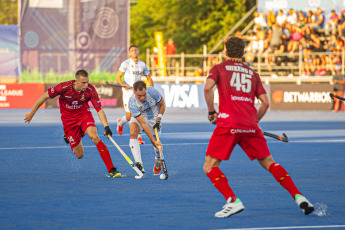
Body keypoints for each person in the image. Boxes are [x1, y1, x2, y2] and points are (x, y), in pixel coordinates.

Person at [203, 36, 314, 218]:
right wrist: (254, 122)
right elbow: (265, 103)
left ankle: (232, 200)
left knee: (209, 166)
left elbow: (208, 89)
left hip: (228, 124)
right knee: (270, 163)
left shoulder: (218, 69)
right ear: (244, 52)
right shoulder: (252, 73)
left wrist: (211, 112)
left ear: (225, 52)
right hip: (250, 125)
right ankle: (299, 196)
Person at [24, 69, 122, 178]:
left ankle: (111, 169)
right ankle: (69, 136)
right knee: (80, 155)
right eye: (83, 82)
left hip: (84, 115)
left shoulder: (90, 90)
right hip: (69, 121)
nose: (86, 85)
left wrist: (106, 126)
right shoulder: (63, 87)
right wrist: (31, 113)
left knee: (94, 136)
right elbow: (44, 96)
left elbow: (99, 109)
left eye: (87, 82)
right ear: (76, 81)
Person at [116, 45, 154, 145]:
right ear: (129, 53)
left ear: (138, 52)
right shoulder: (126, 63)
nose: (134, 52)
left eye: (135, 50)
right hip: (128, 92)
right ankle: (120, 122)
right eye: (132, 50)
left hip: (139, 93)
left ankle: (139, 136)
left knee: (140, 113)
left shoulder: (142, 64)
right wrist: (123, 85)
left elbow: (148, 78)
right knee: (129, 116)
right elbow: (118, 77)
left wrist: (151, 89)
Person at [127, 80, 166, 175]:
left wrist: (158, 120)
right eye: (139, 96)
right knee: (133, 133)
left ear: (146, 90)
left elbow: (162, 105)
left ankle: (158, 159)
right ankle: (139, 163)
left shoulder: (153, 92)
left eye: (144, 94)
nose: (142, 98)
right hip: (140, 117)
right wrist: (153, 139)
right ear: (134, 92)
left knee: (156, 142)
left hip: (153, 116)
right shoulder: (132, 103)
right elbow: (143, 123)